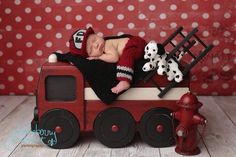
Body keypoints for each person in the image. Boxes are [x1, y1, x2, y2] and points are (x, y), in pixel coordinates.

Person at [69, 27, 147, 94]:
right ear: (89, 55)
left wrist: (100, 57)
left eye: (94, 40)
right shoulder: (103, 47)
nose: (96, 45)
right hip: (136, 45)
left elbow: (114, 58)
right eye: (91, 49)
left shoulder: (107, 45)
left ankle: (125, 81)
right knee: (127, 56)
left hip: (135, 44)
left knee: (126, 58)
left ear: (98, 35)